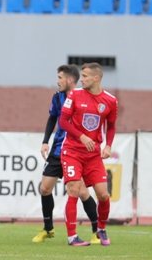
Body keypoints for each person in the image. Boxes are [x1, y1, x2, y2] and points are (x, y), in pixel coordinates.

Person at [58, 62, 118, 247]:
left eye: (84, 76)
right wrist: (82, 136)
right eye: (81, 76)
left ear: (96, 78)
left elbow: (111, 126)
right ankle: (72, 236)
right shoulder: (74, 95)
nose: (80, 79)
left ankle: (100, 228)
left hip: (93, 155)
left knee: (103, 194)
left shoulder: (110, 100)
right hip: (72, 151)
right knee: (74, 191)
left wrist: (108, 146)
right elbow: (63, 121)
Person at [33, 64, 81, 243]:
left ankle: (97, 231)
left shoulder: (84, 98)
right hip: (57, 150)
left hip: (76, 152)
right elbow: (52, 117)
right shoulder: (57, 97)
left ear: (69, 79)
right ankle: (48, 229)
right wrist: (45, 141)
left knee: (82, 192)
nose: (56, 81)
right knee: (45, 188)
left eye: (60, 77)